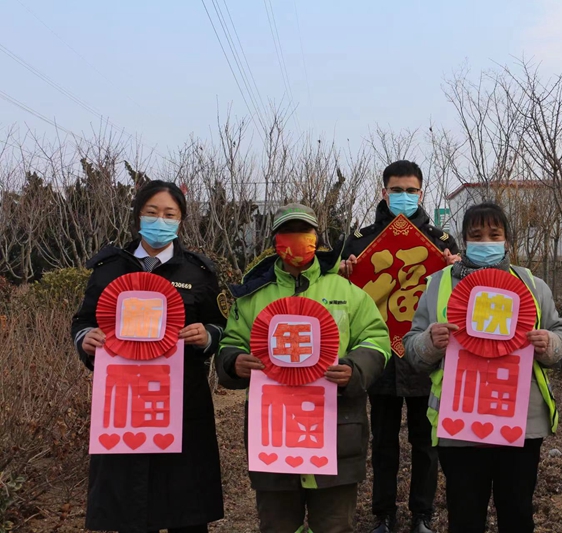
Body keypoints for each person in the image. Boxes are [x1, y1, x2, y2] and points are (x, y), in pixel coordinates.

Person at [215, 203, 391, 533]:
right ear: (275, 241)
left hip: (336, 432)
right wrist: (233, 362)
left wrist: (355, 368)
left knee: (334, 526)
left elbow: (376, 339)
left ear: (317, 238)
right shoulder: (252, 296)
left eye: (305, 231)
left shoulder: (347, 291)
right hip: (274, 439)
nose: (297, 239)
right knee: (278, 526)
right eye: (287, 232)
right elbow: (230, 344)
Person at [403, 202, 562, 533]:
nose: (486, 241)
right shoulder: (438, 284)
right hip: (461, 424)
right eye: (476, 235)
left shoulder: (532, 285)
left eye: (494, 234)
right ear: (464, 240)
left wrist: (549, 344)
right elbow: (412, 349)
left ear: (507, 239)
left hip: (522, 423)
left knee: (518, 513)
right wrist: (429, 342)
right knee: (464, 516)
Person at [71, 180, 225, 533]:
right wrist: (86, 339)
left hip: (183, 401)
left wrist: (207, 336)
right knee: (131, 505)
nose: (160, 221)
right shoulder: (109, 268)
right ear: (137, 216)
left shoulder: (198, 273)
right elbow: (84, 320)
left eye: (169, 214)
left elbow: (221, 326)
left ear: (181, 220)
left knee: (185, 504)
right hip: (123, 406)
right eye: (151, 212)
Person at [340, 160, 459, 533]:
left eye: (411, 190)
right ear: (383, 192)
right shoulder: (359, 241)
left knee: (425, 442)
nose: (404, 196)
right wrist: (342, 272)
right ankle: (383, 514)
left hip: (425, 354)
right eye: (396, 190)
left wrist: (458, 268)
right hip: (381, 355)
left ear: (422, 193)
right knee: (384, 441)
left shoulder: (442, 243)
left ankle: (422, 514)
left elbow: (463, 294)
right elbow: (342, 297)